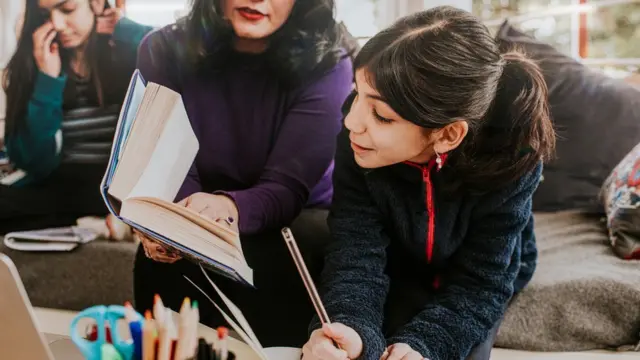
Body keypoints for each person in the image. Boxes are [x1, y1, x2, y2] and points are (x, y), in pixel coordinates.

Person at [302, 6, 556, 360]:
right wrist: (351, 328)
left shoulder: (512, 158)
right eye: (357, 94)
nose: (352, 122)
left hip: (477, 281)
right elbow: (355, 251)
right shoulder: (359, 139)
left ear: (448, 134)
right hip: (399, 259)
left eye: (381, 115)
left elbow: (482, 283)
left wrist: (424, 347)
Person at [132, 0, 354, 348]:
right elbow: (170, 164)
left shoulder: (329, 63)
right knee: (163, 254)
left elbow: (285, 187)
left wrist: (225, 209)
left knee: (277, 254)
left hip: (291, 220)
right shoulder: (162, 49)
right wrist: (174, 221)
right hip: (198, 205)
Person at [1, 0, 153, 233]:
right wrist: (47, 82)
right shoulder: (32, 63)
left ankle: (97, 220)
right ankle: (94, 223)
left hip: (116, 186)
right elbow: (36, 164)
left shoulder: (130, 51)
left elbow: (181, 54)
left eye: (67, 9)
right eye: (45, 15)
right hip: (59, 185)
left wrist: (125, 28)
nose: (56, 24)